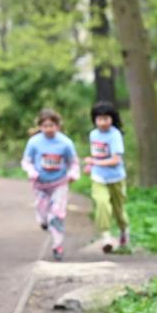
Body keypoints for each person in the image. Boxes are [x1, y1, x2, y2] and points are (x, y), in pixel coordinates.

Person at [21, 108, 80, 261]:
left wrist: (73, 174)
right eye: (45, 126)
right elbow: (26, 161)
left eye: (51, 126)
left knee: (57, 215)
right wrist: (31, 171)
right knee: (43, 215)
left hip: (59, 183)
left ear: (58, 126)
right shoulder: (34, 142)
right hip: (40, 185)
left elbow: (73, 162)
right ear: (40, 126)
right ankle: (43, 222)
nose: (48, 129)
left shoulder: (65, 143)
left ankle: (57, 246)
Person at [84, 101, 129, 253]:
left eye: (106, 119)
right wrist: (91, 166)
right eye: (99, 119)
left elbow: (116, 160)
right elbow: (96, 154)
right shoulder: (93, 134)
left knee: (119, 210)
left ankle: (124, 230)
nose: (102, 122)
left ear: (112, 119)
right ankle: (106, 237)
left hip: (116, 178)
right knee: (102, 203)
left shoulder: (115, 135)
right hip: (98, 177)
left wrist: (94, 162)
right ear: (94, 119)